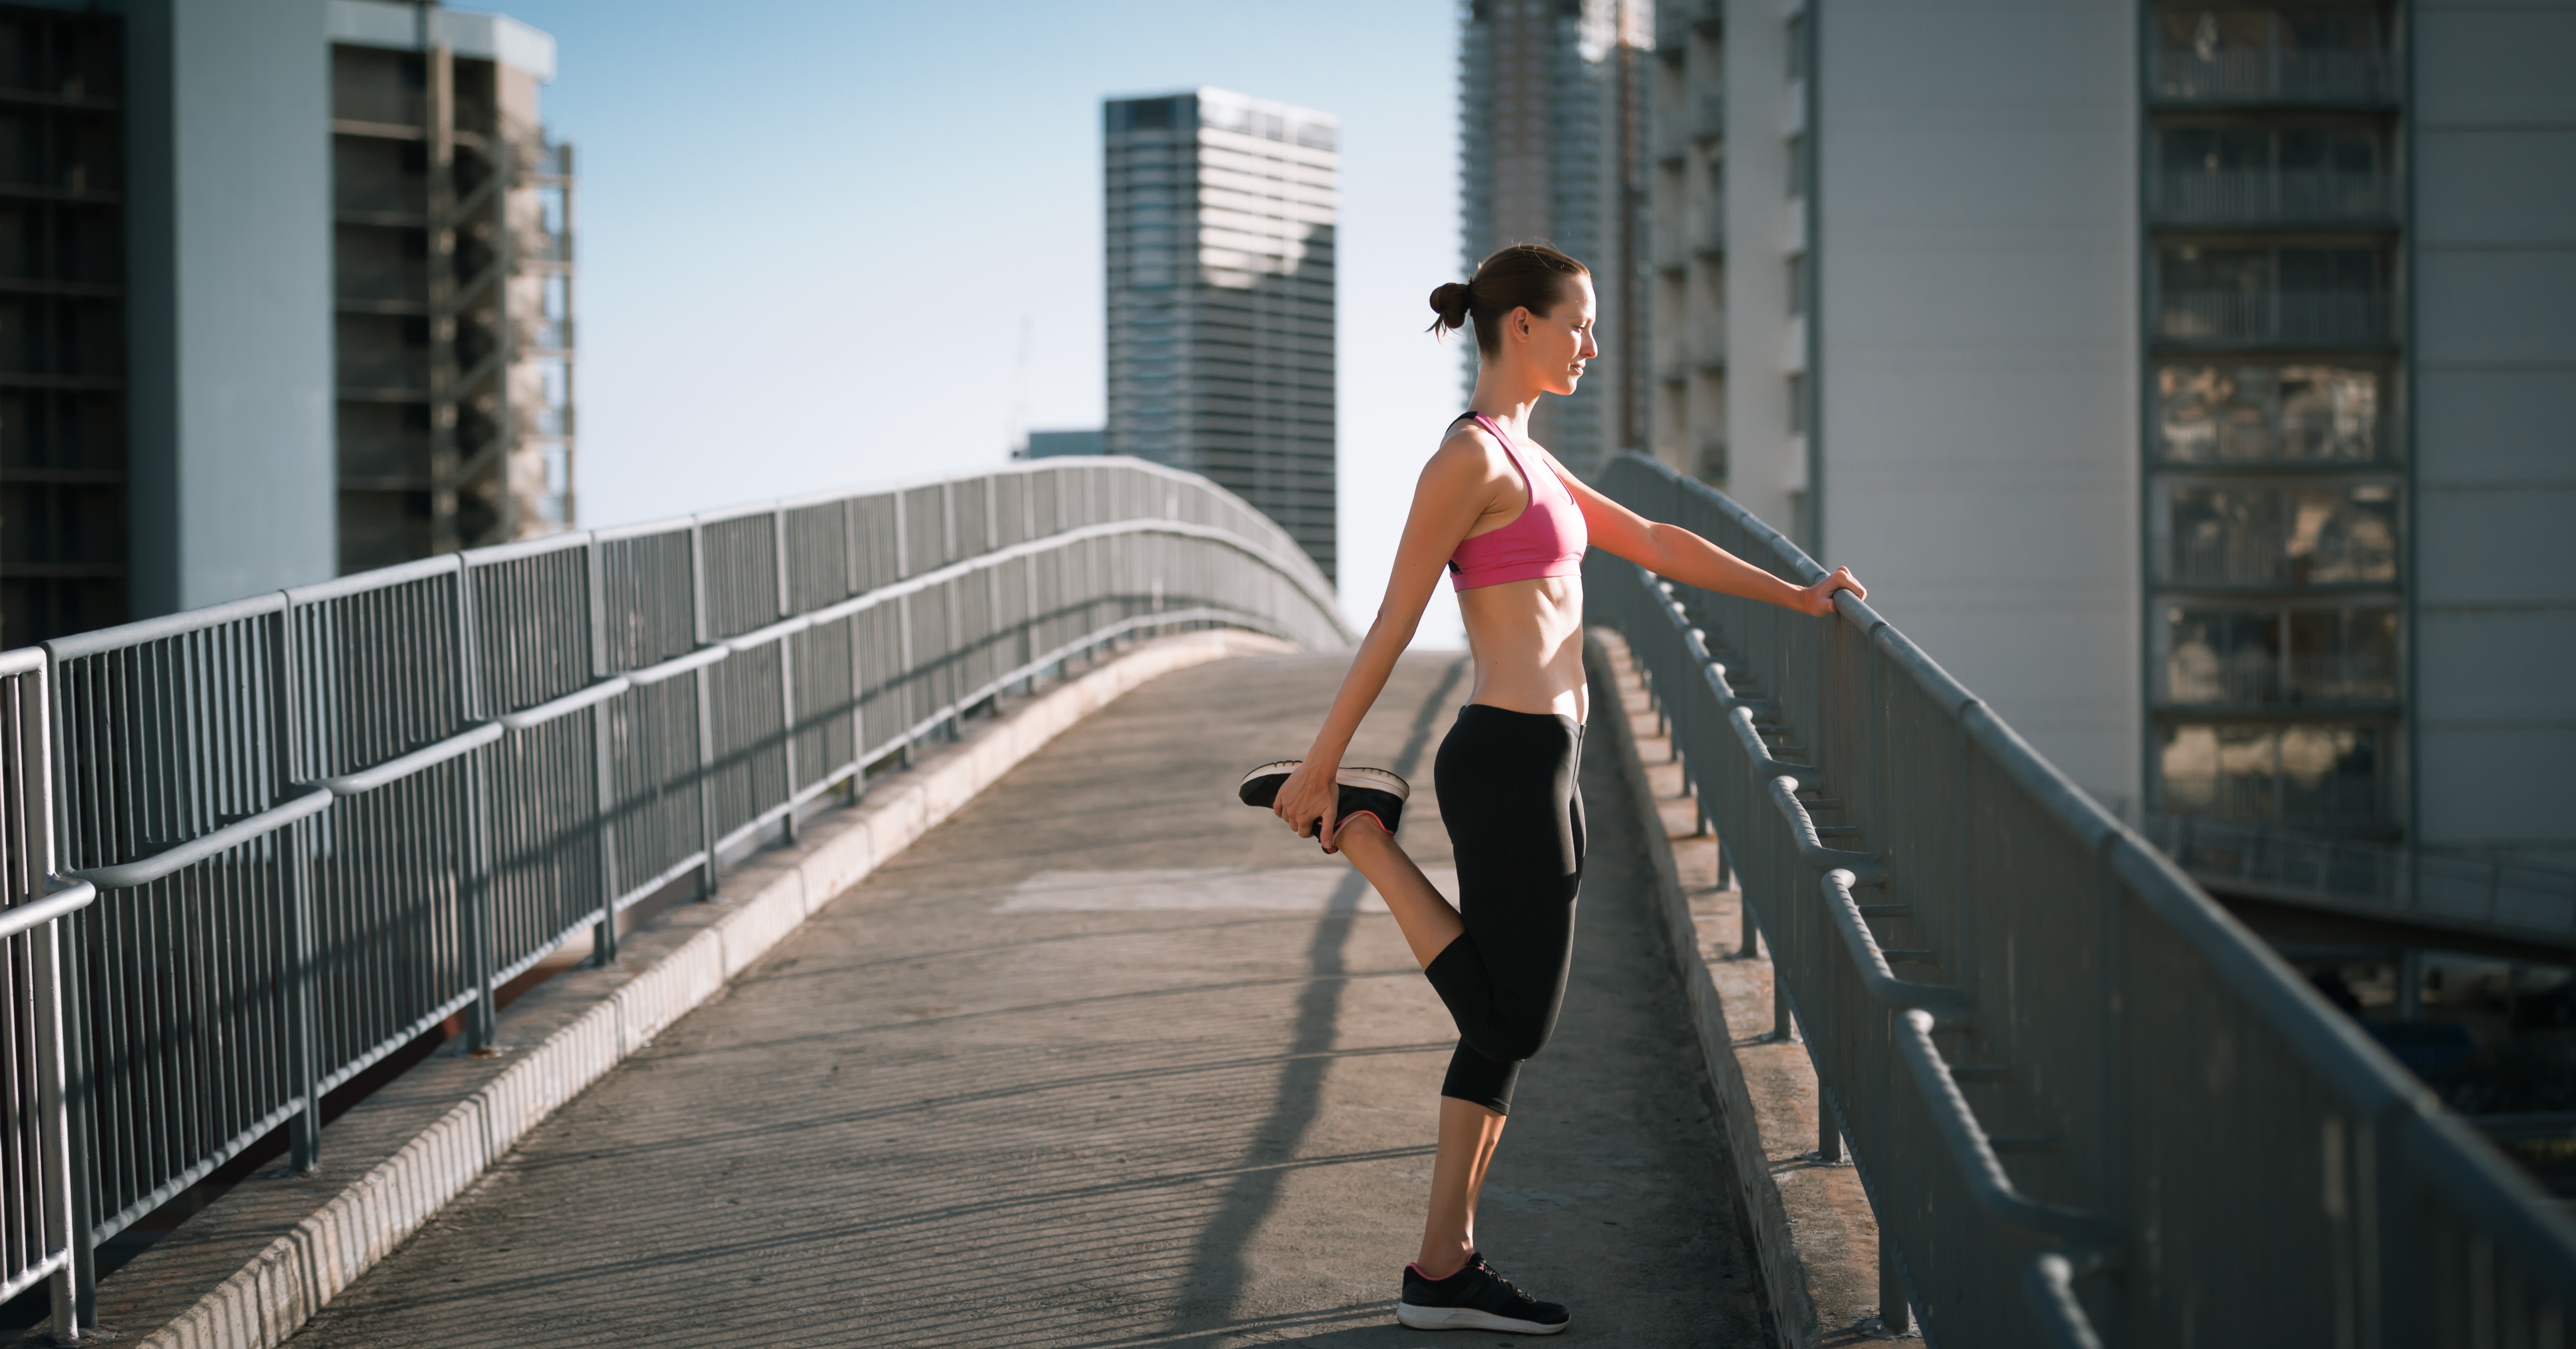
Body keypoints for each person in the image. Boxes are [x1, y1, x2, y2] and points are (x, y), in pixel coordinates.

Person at [1241, 243, 1864, 1335]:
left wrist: (1797, 594)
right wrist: (1322, 764)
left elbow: (1654, 537)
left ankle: (1443, 1270)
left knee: (1502, 1031)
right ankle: (1366, 834)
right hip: (1506, 760)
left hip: (1550, 761)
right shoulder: (1467, 462)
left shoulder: (1527, 455)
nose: (1591, 345)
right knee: (1511, 1020)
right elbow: (1395, 617)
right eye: (1577, 324)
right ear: (1519, 324)